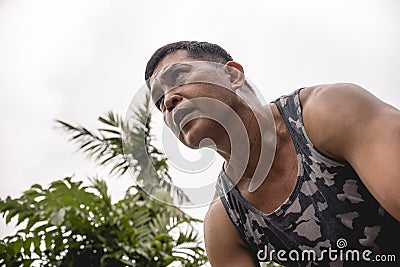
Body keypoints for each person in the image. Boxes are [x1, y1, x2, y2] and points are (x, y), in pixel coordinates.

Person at [144, 41, 400, 266]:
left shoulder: (327, 110)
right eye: (159, 102)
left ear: (233, 75)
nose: (168, 101)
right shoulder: (225, 221)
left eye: (179, 76)